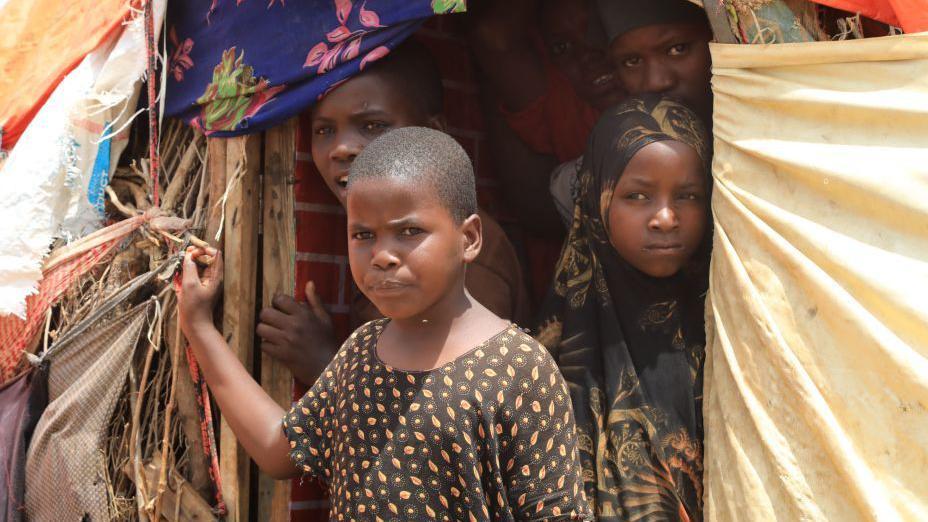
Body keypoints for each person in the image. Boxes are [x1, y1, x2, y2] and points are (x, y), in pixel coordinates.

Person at [178, 127, 592, 521]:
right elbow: (277, 449)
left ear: (469, 239)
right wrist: (200, 328)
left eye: (409, 231)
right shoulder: (362, 351)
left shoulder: (518, 367)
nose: (382, 255)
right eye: (362, 235)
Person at [258, 40, 530, 387]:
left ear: (434, 132)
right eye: (324, 130)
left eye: (373, 126)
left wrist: (324, 365)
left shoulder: (463, 255)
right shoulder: (386, 240)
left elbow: (446, 411)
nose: (341, 148)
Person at [536, 95, 712, 521]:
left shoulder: (735, 323)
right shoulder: (552, 355)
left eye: (688, 195)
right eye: (637, 196)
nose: (666, 217)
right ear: (597, 200)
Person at [547, 0, 715, 227]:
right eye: (632, 62)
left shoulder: (767, 141)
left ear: (716, 43)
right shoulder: (592, 185)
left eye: (677, 49)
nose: (656, 82)